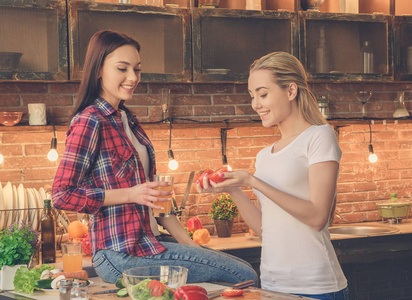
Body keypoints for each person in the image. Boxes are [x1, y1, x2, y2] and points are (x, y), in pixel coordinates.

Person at [52, 30, 258, 285]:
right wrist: (131, 193)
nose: (132, 77)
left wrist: (191, 246)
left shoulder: (129, 121)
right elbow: (62, 194)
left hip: (151, 243)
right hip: (120, 254)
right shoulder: (89, 121)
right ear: (98, 70)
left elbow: (158, 203)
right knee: (244, 275)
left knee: (243, 269)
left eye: (136, 69)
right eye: (122, 68)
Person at [197, 52, 348, 300]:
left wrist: (253, 181)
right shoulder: (264, 155)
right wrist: (234, 189)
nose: (256, 104)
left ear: (290, 91)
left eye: (263, 94)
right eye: (252, 96)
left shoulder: (319, 136)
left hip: (316, 287)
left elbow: (318, 217)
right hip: (271, 285)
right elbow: (266, 230)